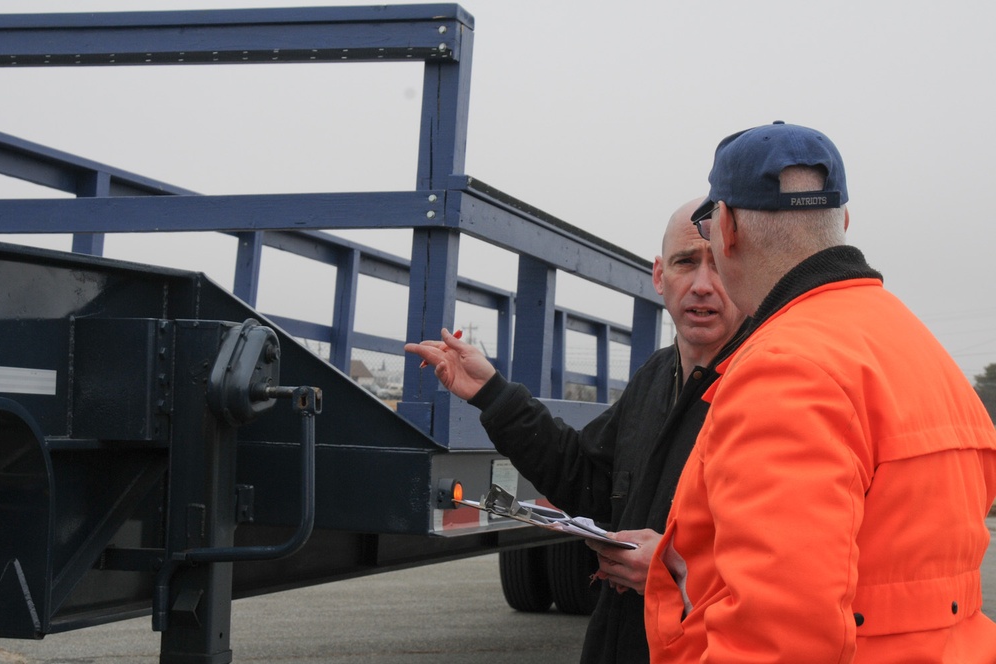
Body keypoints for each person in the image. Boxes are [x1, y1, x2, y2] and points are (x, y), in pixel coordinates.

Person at [644, 121, 996, 663]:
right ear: (843, 222)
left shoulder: (784, 370)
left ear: (726, 229)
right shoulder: (921, 350)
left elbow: (778, 640)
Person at [405, 198, 748, 664]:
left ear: (745, 272)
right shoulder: (656, 376)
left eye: (719, 263)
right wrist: (491, 392)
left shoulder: (763, 390)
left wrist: (676, 572)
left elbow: (792, 574)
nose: (703, 285)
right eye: (686, 262)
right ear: (659, 276)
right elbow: (585, 478)